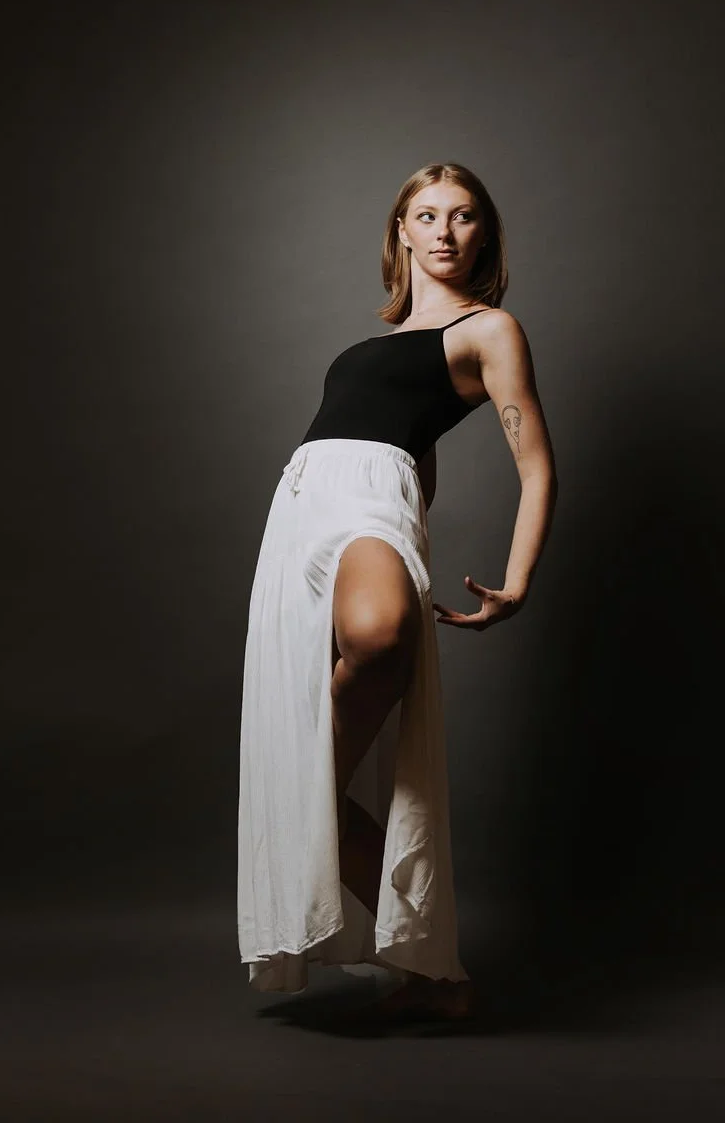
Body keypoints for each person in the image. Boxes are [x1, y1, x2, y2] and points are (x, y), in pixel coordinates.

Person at [236, 160, 558, 1022]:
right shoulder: (372, 344)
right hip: (301, 508)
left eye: (462, 216)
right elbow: (418, 453)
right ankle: (434, 974)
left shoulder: (491, 329)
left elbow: (535, 464)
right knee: (322, 797)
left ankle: (422, 958)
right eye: (428, 214)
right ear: (403, 232)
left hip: (367, 504)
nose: (444, 230)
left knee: (379, 635)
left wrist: (517, 581)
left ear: (482, 234)